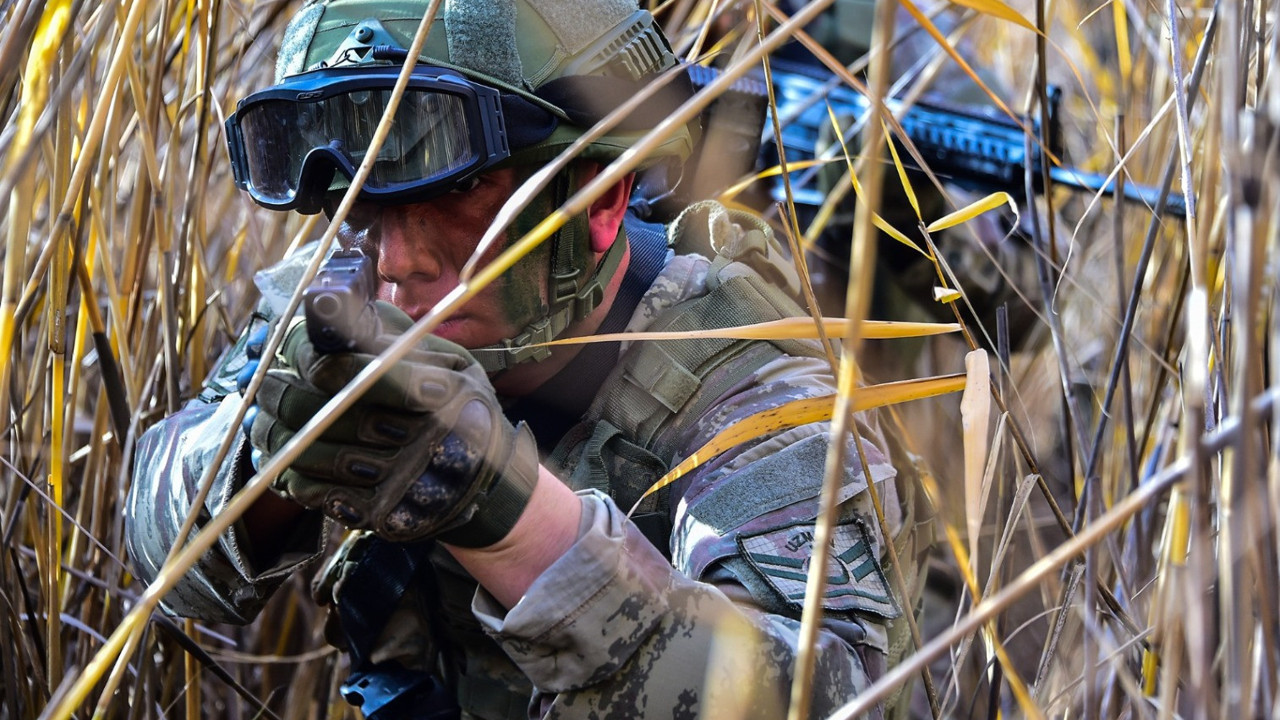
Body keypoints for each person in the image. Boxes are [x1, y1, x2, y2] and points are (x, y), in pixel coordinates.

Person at [125, 1, 925, 718]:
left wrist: (503, 515)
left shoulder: (750, 385)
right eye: (363, 201)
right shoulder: (347, 285)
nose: (397, 259)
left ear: (600, 198)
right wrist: (280, 445)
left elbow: (823, 699)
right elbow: (159, 553)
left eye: (454, 194)